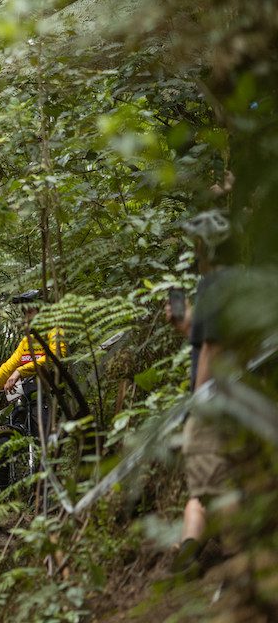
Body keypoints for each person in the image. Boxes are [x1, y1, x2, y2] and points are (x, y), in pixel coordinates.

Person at [169, 209, 236, 576]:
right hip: (237, 398)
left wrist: (198, 403)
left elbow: (212, 348)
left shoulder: (214, 284)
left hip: (214, 400)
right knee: (208, 486)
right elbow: (204, 340)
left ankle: (238, 559)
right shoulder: (234, 282)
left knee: (211, 486)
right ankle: (189, 552)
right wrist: (184, 324)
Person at [0, 290, 66, 412]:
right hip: (28, 399)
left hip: (51, 398)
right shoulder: (27, 341)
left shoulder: (56, 332)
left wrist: (20, 371)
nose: (26, 318)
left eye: (30, 312)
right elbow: (7, 368)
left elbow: (55, 357)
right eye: (24, 313)